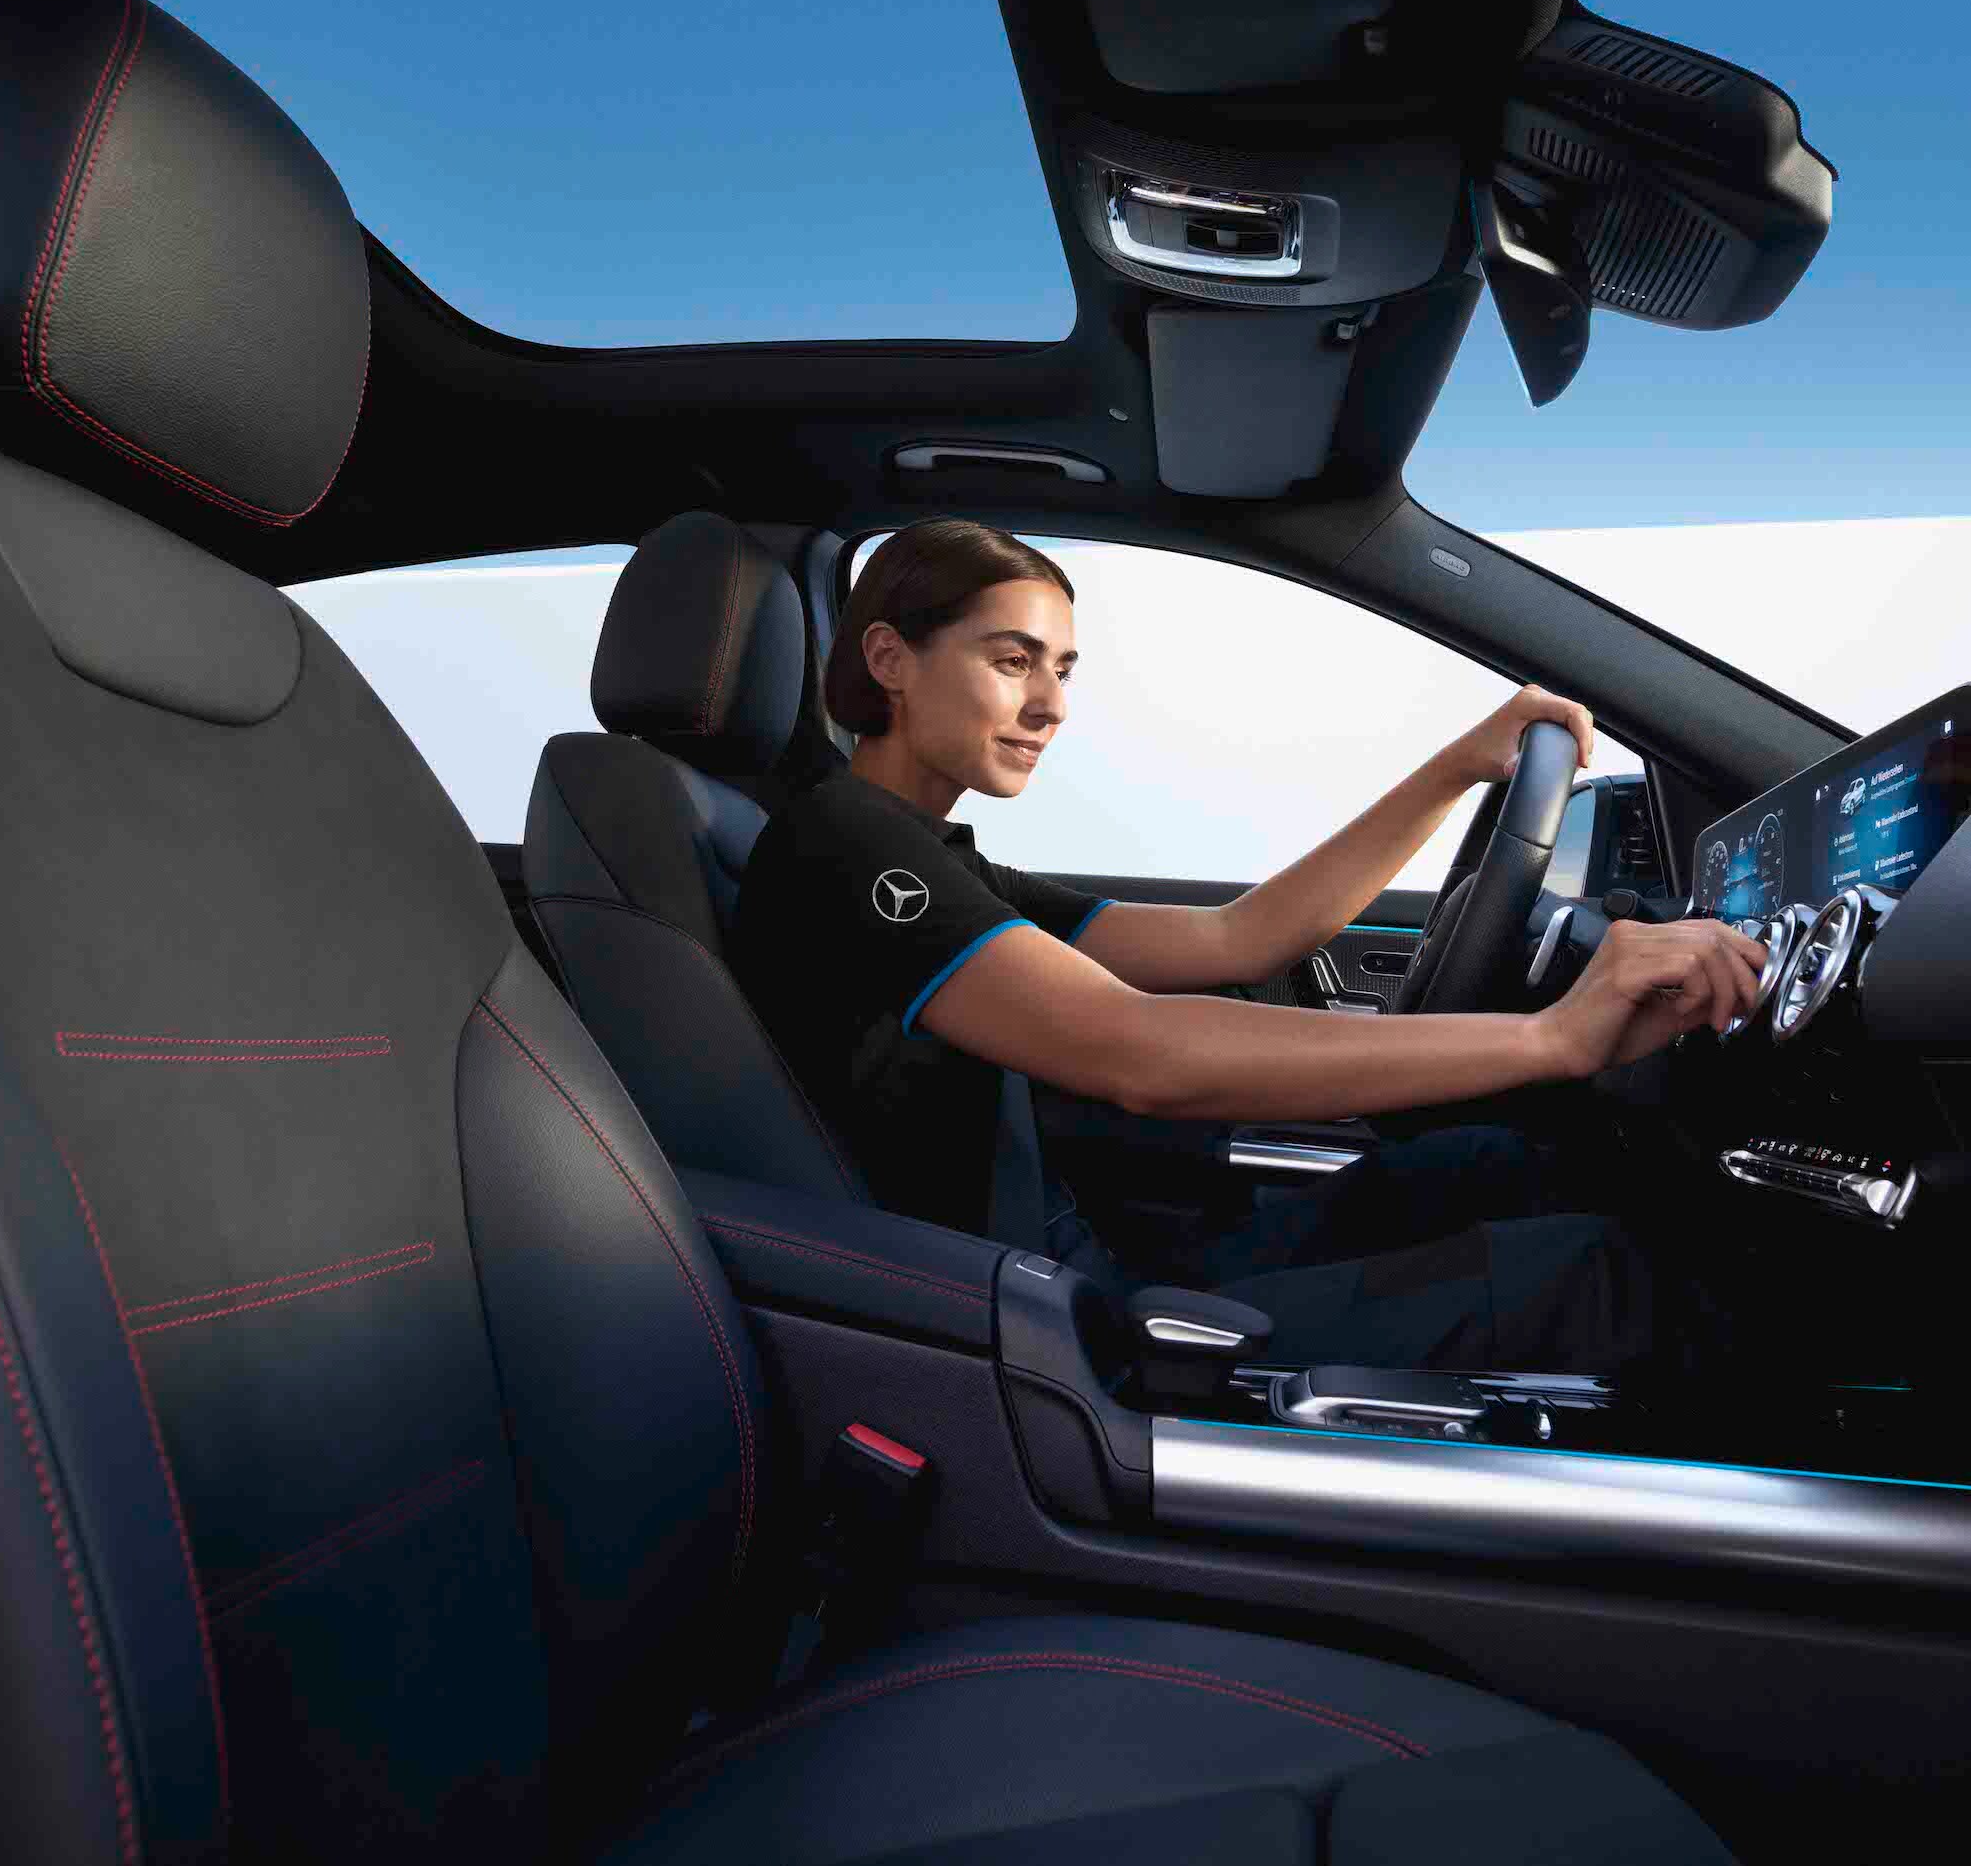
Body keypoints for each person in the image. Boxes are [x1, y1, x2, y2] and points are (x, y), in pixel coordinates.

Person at [728, 520, 1769, 1374]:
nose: (1049, 707)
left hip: (1094, 1257)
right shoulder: (845, 850)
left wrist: (1459, 765)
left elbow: (1246, 936)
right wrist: (1553, 1040)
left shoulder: (928, 852)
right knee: (1606, 1278)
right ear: (888, 659)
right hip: (1043, 1328)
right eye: (1011, 663)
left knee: (1495, 1169)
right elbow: (1141, 1054)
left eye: (1064, 670)